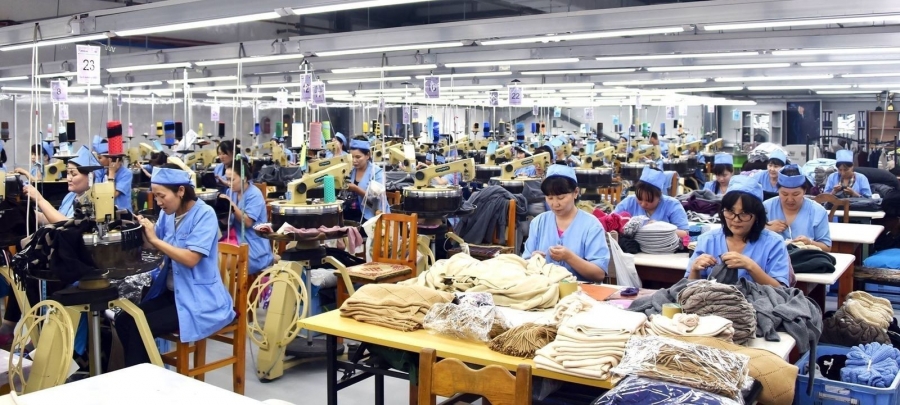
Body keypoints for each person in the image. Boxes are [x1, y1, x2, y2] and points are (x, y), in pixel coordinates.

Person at [116, 165, 235, 367]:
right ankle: (147, 373)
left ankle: (142, 381)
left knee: (139, 327)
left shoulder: (204, 214)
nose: (158, 202)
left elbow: (191, 258)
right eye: (155, 196)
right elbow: (155, 245)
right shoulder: (167, 214)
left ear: (180, 190)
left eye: (162, 196)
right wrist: (142, 231)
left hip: (200, 300)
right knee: (123, 320)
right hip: (174, 293)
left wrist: (155, 240)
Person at [686, 175, 790, 287]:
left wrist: (750, 266)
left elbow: (780, 290)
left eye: (744, 213)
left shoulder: (773, 243)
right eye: (730, 211)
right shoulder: (707, 240)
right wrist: (695, 270)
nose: (736, 219)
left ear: (757, 215)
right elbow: (689, 288)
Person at [522, 165, 609, 282]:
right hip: (544, 288)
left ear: (576, 192)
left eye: (561, 198)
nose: (555, 204)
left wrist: (569, 257)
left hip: (579, 290)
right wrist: (533, 260)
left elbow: (599, 274)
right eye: (550, 198)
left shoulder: (591, 225)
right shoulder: (538, 222)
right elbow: (525, 263)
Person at [219, 159, 275, 275]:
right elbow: (228, 222)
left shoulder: (254, 194)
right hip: (235, 241)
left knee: (220, 264)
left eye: (231, 180)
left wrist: (231, 205)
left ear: (244, 178)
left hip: (253, 248)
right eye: (227, 179)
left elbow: (248, 222)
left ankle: (230, 286)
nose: (228, 183)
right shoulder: (231, 192)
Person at [22, 145, 99, 224]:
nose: (68, 178)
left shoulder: (93, 201)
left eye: (74, 174)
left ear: (90, 177)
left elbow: (67, 224)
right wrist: (26, 211)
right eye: (68, 173)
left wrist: (40, 200)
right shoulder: (70, 196)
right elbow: (52, 218)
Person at [764, 165, 831, 251]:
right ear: (778, 190)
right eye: (784, 194)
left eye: (796, 194)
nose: (790, 199)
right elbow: (749, 238)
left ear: (804, 191)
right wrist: (765, 228)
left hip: (805, 258)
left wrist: (809, 243)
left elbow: (827, 248)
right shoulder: (766, 207)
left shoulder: (818, 211)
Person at [614, 167, 689, 235]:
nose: (643, 204)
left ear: (659, 196)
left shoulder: (672, 205)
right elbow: (611, 221)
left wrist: (660, 228)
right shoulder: (629, 202)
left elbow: (684, 233)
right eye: (639, 199)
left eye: (648, 201)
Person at [346, 138, 389, 223]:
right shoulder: (351, 171)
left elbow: (376, 199)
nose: (354, 160)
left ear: (367, 155)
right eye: (352, 157)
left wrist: (356, 189)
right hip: (352, 214)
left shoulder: (376, 173)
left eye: (358, 157)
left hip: (372, 216)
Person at [94, 139, 134, 212]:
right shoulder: (102, 172)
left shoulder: (126, 173)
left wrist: (111, 173)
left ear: (110, 159)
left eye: (100, 158)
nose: (98, 161)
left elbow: (112, 195)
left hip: (122, 214)